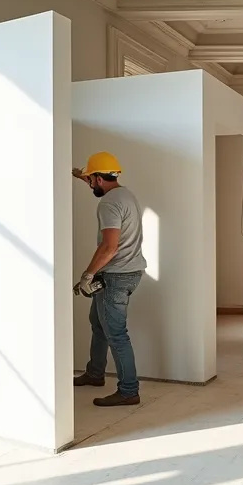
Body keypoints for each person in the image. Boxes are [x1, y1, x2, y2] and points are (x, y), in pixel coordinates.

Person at [71, 151, 148, 407]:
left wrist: (87, 275)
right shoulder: (125, 195)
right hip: (131, 271)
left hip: (115, 275)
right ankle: (95, 373)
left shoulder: (108, 204)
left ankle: (129, 391)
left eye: (91, 180)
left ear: (98, 179)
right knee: (98, 323)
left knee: (116, 334)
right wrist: (83, 175)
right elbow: (99, 183)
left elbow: (109, 247)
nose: (89, 184)